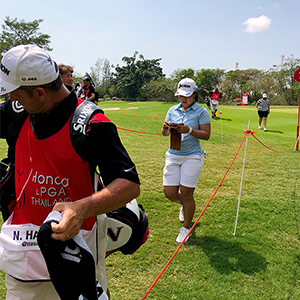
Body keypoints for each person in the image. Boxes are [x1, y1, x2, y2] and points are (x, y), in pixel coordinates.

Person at [0, 44, 140, 299]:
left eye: (15, 93)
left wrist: (81, 208)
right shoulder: (16, 113)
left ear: (40, 92)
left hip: (76, 250)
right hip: (22, 260)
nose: (11, 99)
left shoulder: (91, 123)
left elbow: (128, 183)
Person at [161, 78, 211, 243]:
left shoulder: (201, 111)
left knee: (186, 192)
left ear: (195, 94)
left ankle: (186, 228)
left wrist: (189, 130)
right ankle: (186, 205)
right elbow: (166, 135)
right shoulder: (172, 110)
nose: (183, 99)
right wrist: (165, 128)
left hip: (193, 156)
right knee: (169, 193)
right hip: (174, 154)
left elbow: (206, 135)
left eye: (187, 96)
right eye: (181, 96)